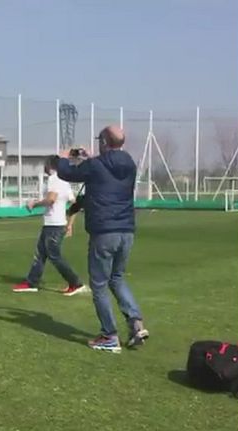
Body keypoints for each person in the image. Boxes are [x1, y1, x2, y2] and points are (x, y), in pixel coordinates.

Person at [56, 126, 149, 353]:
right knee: (117, 278)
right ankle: (136, 323)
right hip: (126, 230)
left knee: (99, 285)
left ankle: (109, 336)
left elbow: (67, 173)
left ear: (105, 142)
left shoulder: (96, 165)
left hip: (104, 231)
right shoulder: (129, 163)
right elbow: (106, 172)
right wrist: (91, 158)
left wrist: (64, 156)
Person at [13, 156, 88, 296]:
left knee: (54, 256)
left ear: (49, 165)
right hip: (55, 224)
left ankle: (75, 283)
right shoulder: (65, 182)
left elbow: (51, 199)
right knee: (40, 254)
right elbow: (74, 204)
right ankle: (31, 282)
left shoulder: (54, 179)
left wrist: (34, 204)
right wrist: (70, 224)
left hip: (54, 224)